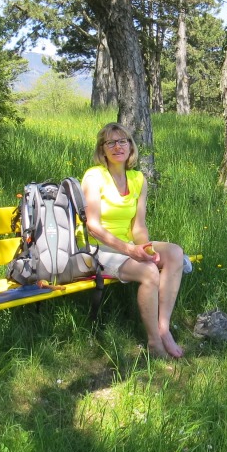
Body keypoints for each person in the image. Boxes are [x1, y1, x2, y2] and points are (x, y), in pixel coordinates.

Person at [82, 122, 186, 359]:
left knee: (175, 253)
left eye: (122, 141)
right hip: (96, 249)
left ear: (130, 146)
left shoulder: (138, 179)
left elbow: (138, 226)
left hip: (126, 246)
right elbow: (92, 226)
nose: (117, 147)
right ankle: (154, 343)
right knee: (149, 271)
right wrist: (130, 250)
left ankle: (163, 329)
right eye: (110, 142)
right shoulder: (94, 176)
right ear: (102, 149)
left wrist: (145, 248)